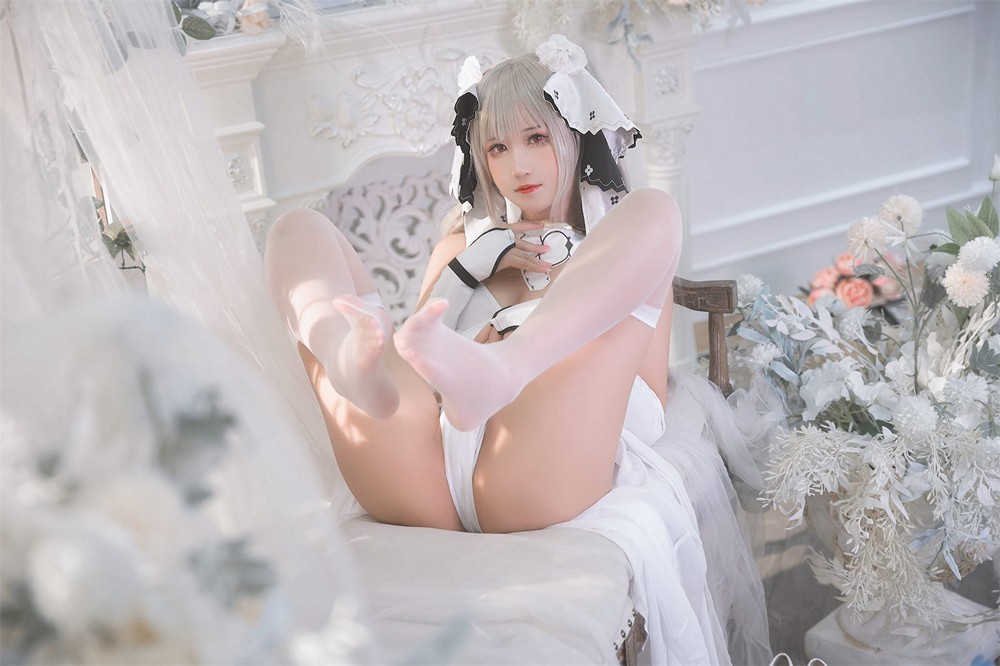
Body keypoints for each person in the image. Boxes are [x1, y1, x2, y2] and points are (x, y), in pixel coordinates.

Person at [264, 35, 681, 536]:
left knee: (656, 208)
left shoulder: (624, 253)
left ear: (575, 133)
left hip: (531, 471)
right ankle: (341, 361)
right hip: (422, 476)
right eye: (497, 148)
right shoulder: (458, 251)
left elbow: (649, 414)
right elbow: (415, 376)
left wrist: (541, 360)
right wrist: (464, 271)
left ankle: (505, 369)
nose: (517, 166)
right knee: (296, 230)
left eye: (536, 138)